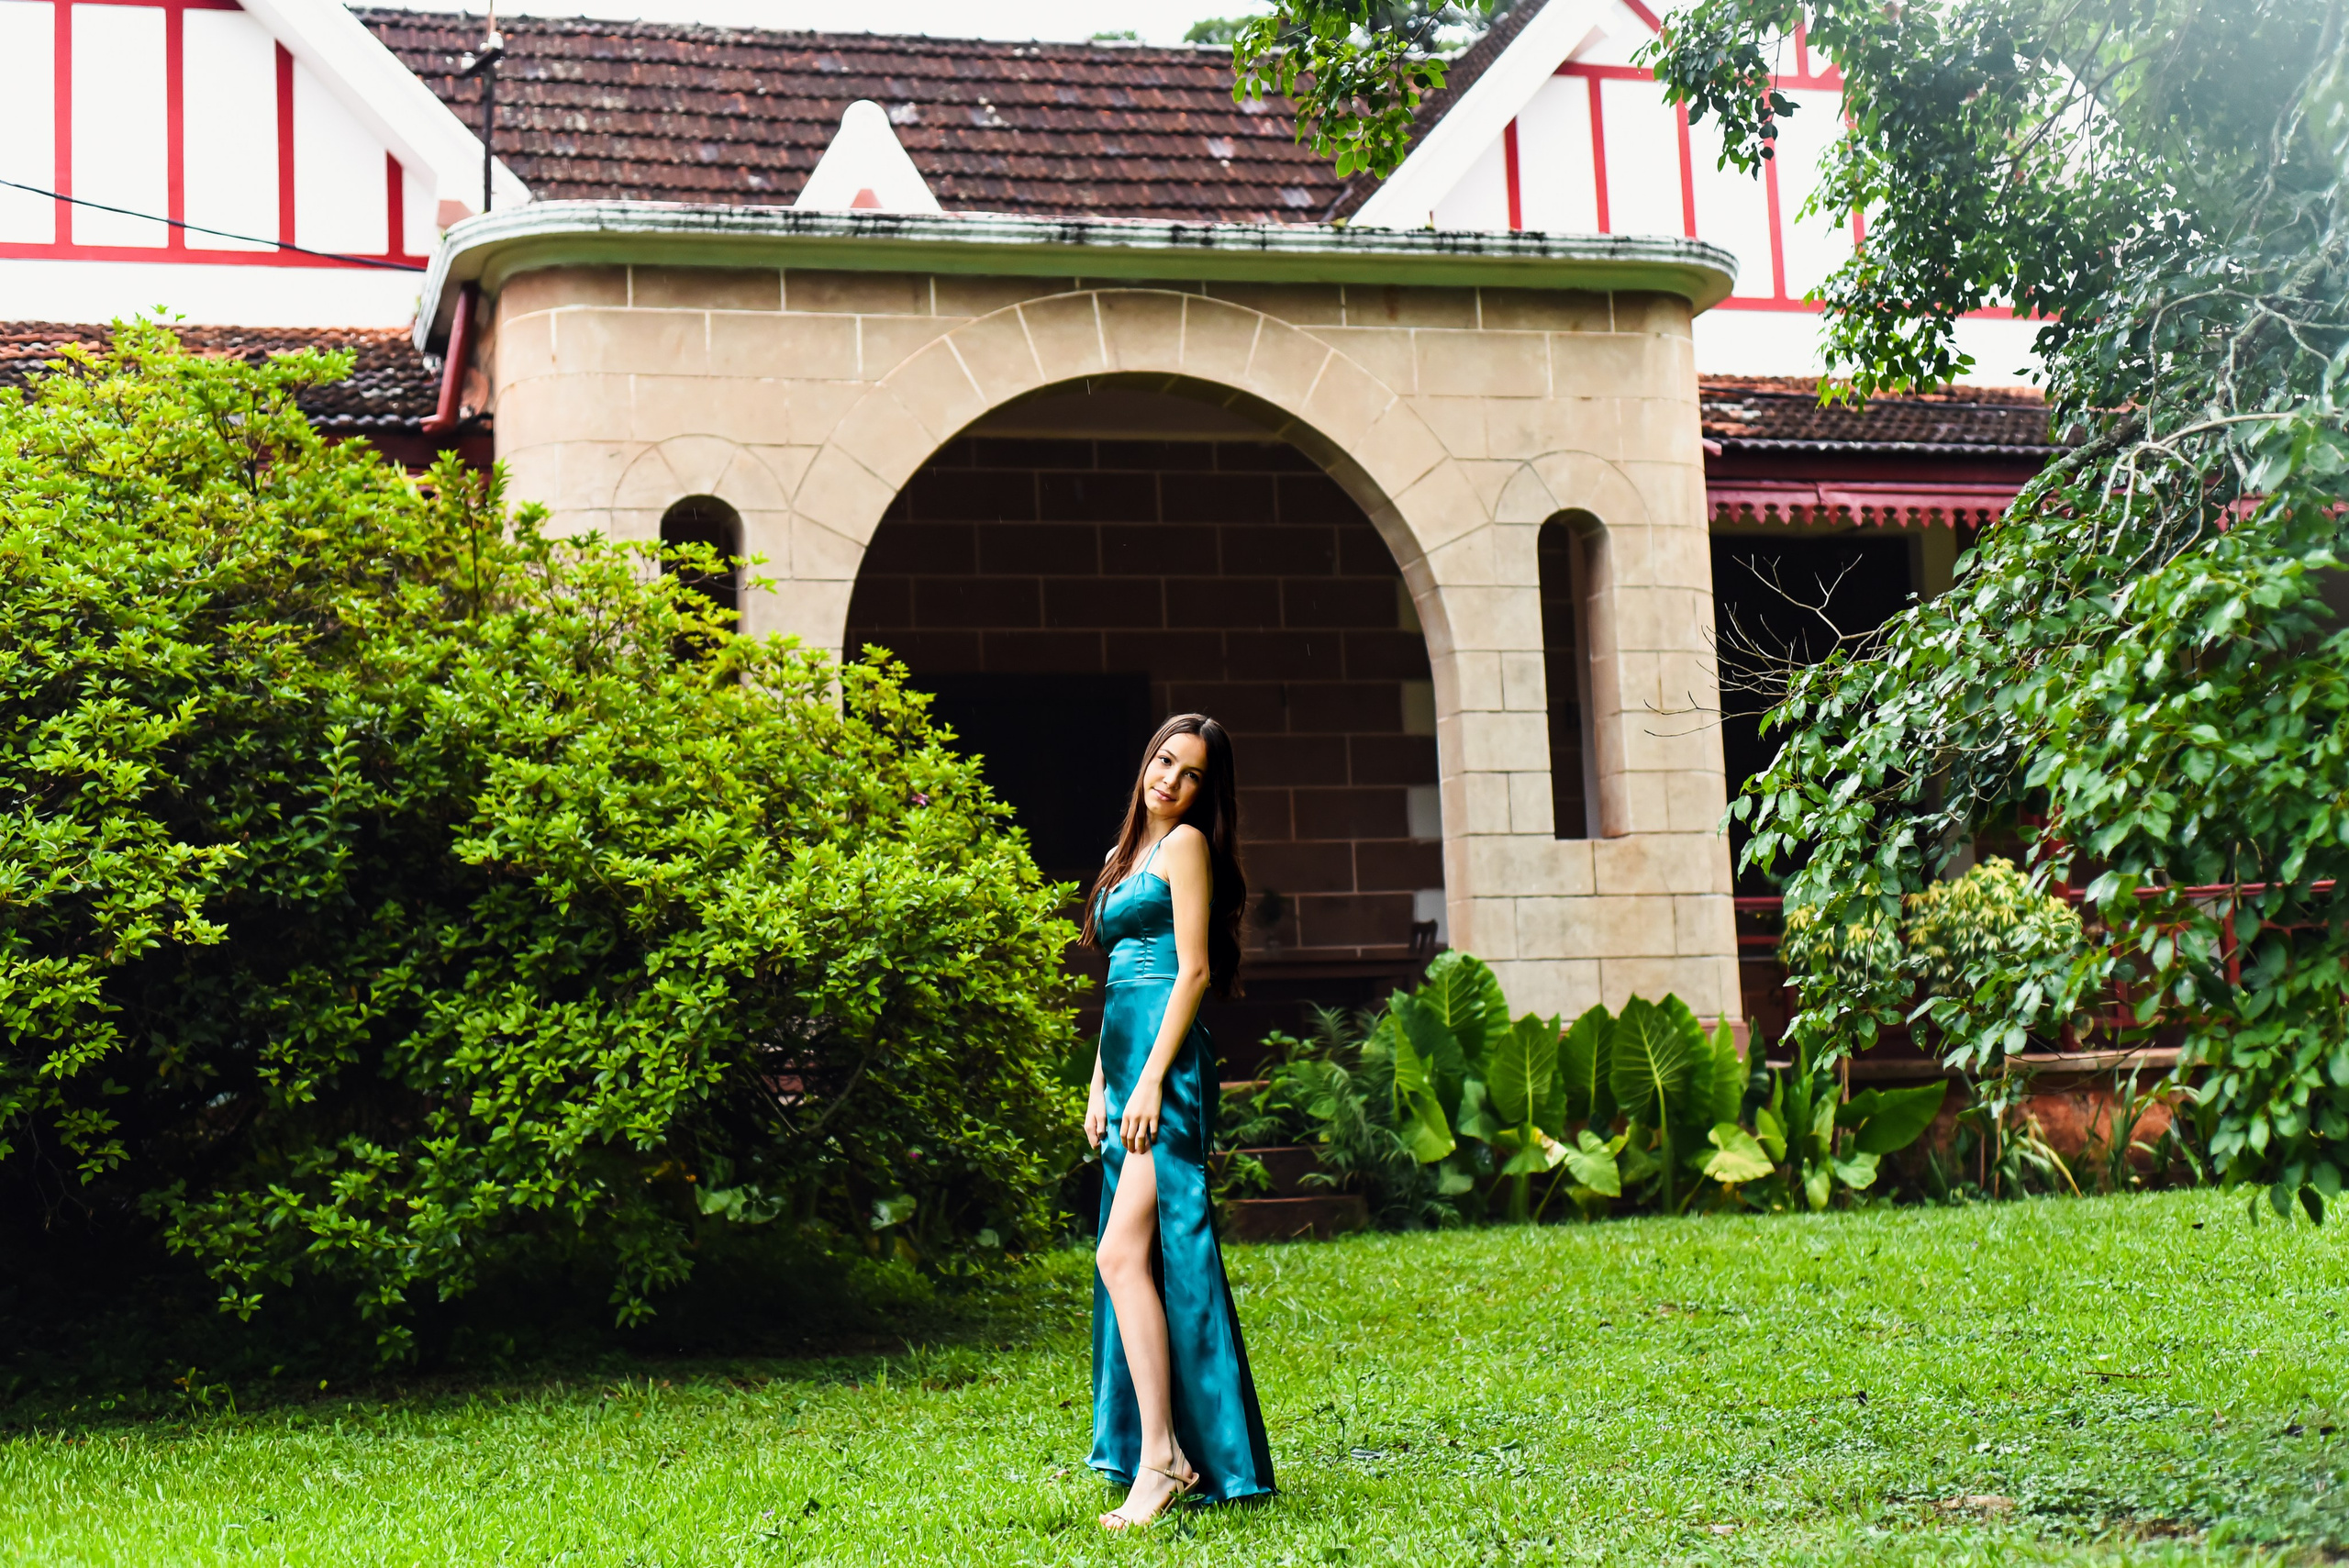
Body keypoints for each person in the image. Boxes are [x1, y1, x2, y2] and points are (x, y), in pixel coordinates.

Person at [1082, 713, 1276, 1529]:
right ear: (1146, 761)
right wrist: (1100, 1081)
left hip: (1168, 1074)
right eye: (1165, 760)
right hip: (1126, 1068)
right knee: (1134, 1259)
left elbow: (1190, 971)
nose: (1171, 779)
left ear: (1206, 790)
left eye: (1192, 773)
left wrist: (1153, 1079)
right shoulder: (1123, 857)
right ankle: (1159, 1449)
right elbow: (1118, 983)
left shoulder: (1187, 848)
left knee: (1122, 1253)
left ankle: (1163, 1456)